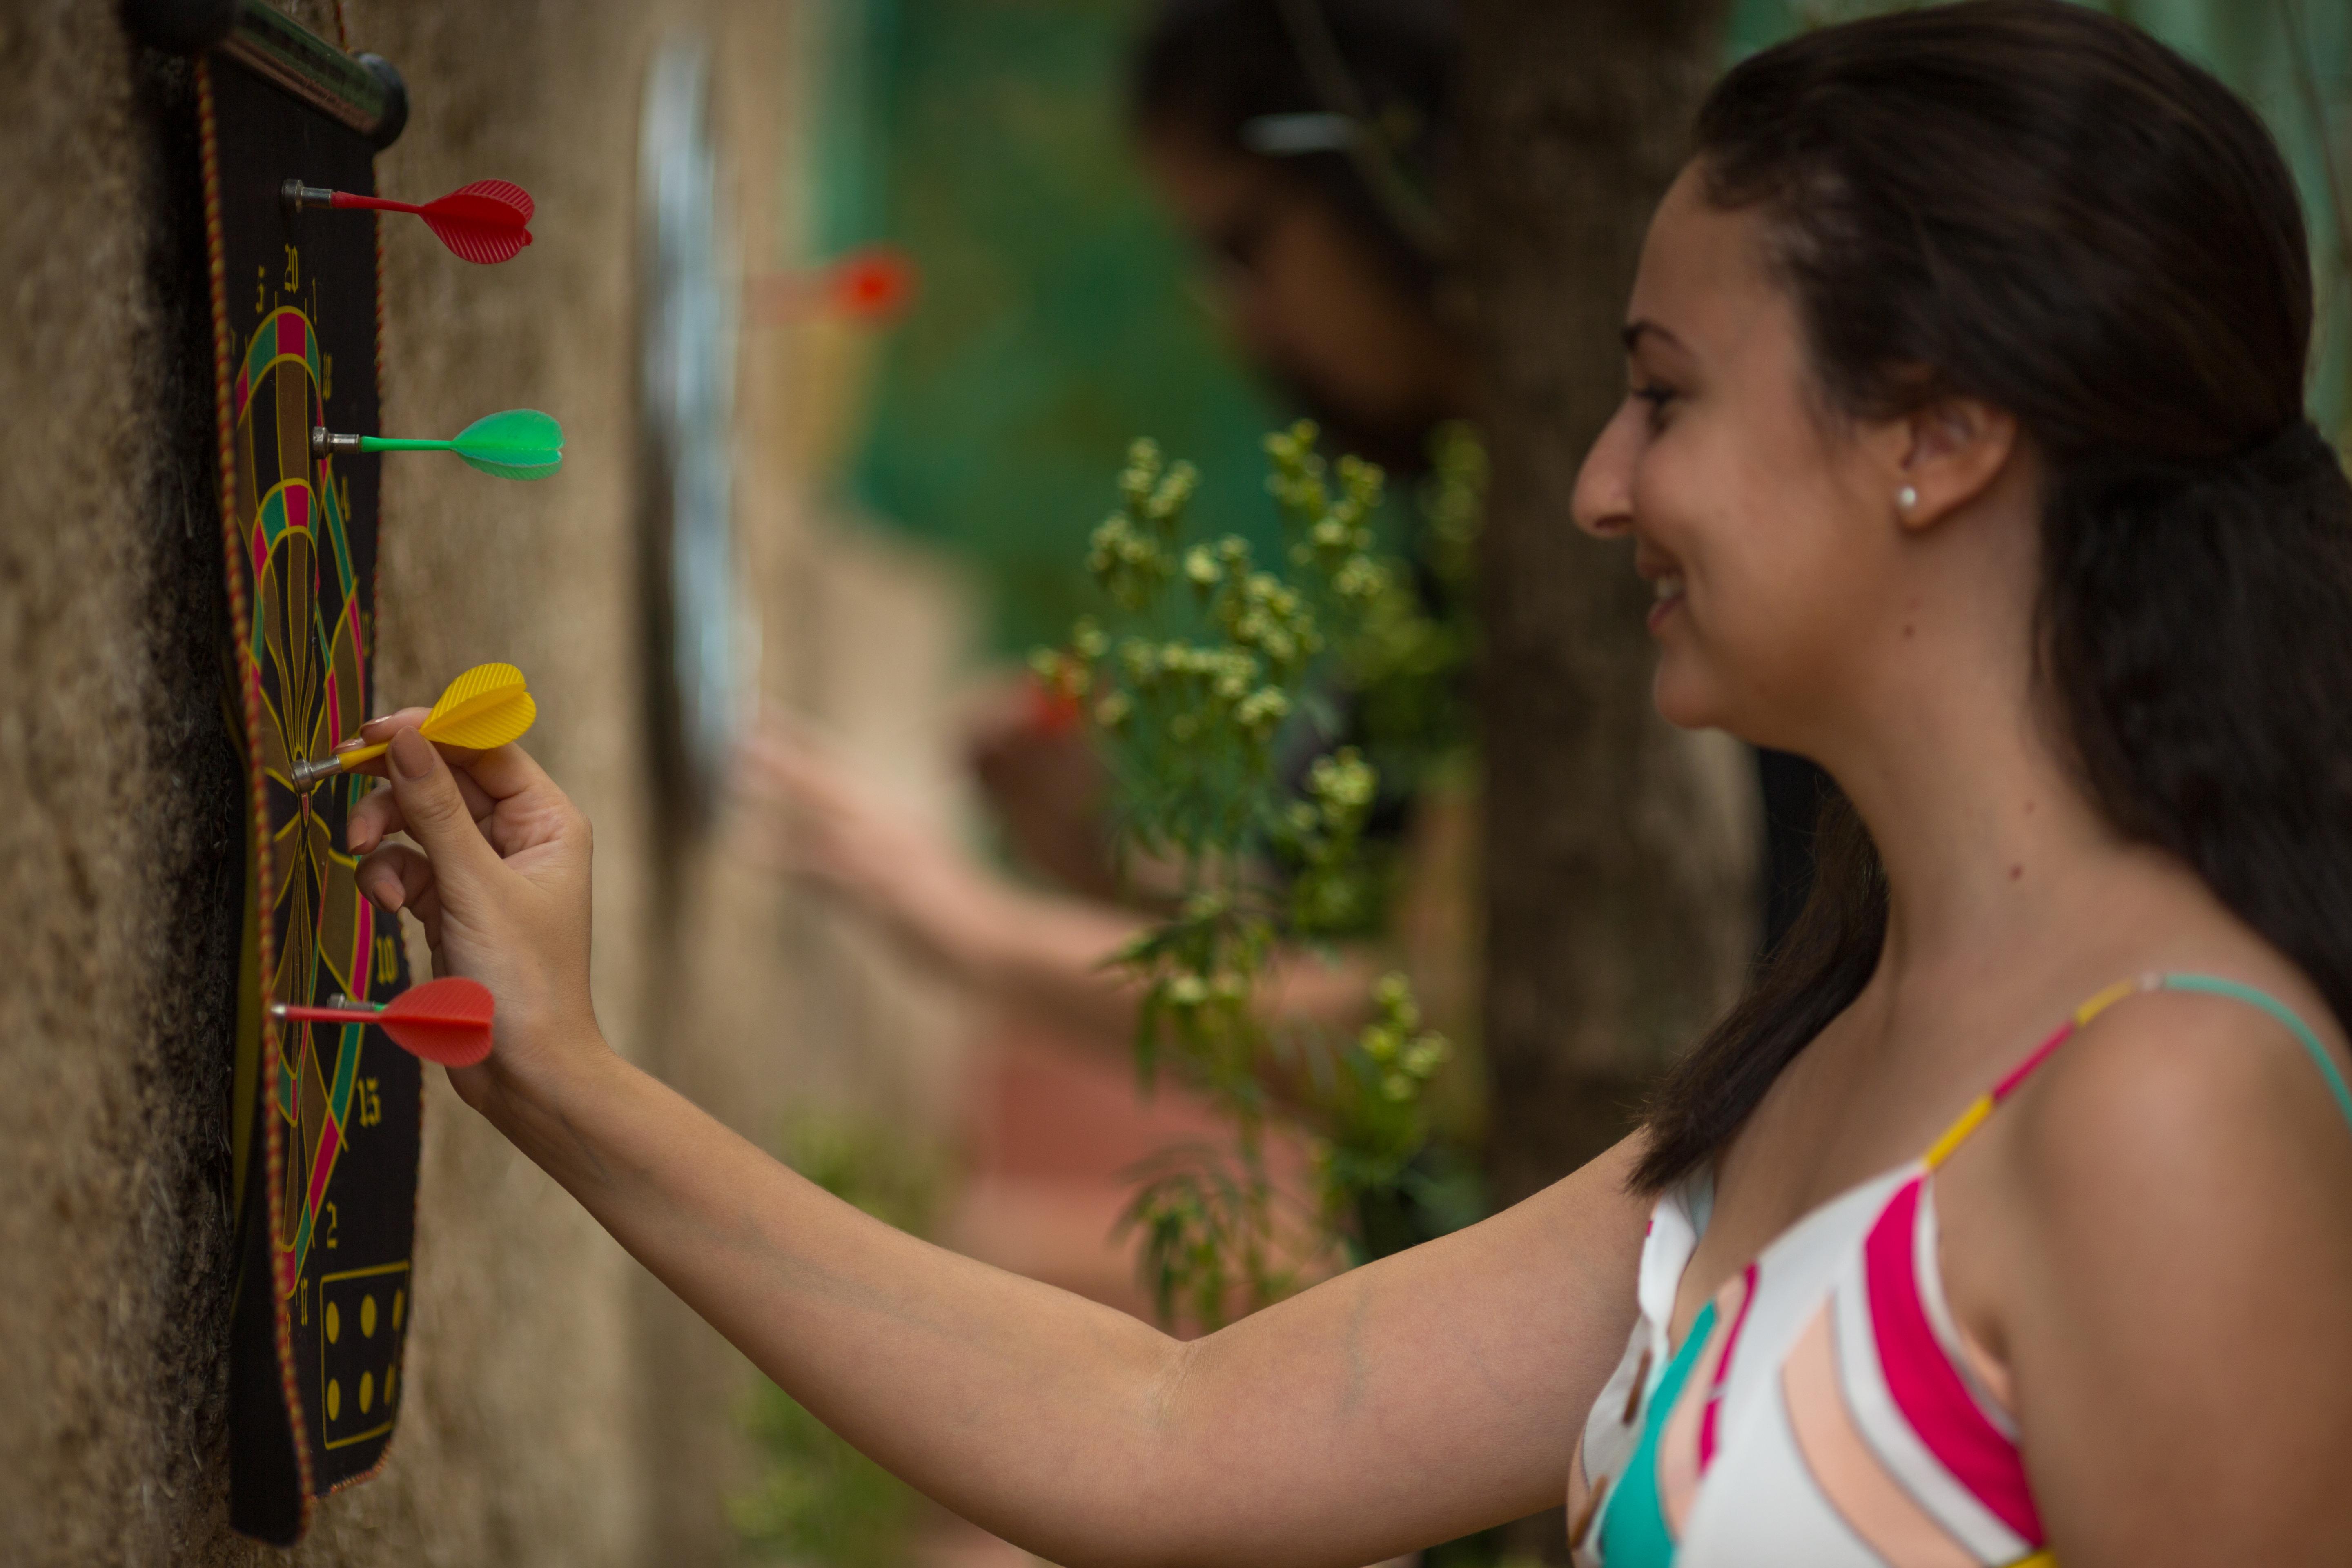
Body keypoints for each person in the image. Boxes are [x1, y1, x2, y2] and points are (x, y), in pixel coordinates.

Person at [344, 3, 2352, 1560]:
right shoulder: (1824, 1061)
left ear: (1941, 432)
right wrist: (564, 1072)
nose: (1597, 484)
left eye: (1666, 395)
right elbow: (1166, 1438)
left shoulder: (2168, 1100)